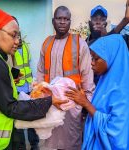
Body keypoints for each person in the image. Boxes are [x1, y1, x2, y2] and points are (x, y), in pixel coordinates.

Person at [0, 6, 67, 150]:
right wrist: (49, 101)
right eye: (13, 35)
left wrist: (11, 75)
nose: (17, 41)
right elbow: (11, 107)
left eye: (18, 36)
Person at [37, 6, 95, 150]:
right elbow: (40, 72)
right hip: (50, 103)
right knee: (49, 143)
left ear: (70, 22)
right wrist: (39, 97)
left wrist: (86, 105)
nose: (62, 22)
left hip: (71, 105)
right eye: (59, 18)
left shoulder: (79, 43)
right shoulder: (46, 43)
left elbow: (87, 75)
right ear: (53, 21)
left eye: (66, 19)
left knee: (70, 143)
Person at [65, 34, 129, 149]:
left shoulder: (122, 91)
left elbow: (117, 134)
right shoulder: (106, 81)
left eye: (96, 58)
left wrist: (86, 103)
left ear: (111, 57)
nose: (92, 63)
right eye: (91, 58)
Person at [11, 17, 39, 150]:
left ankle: (34, 144)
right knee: (19, 121)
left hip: (28, 88)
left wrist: (33, 83)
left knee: (31, 118)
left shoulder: (26, 46)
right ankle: (21, 147)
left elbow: (28, 66)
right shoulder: (9, 48)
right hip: (15, 90)